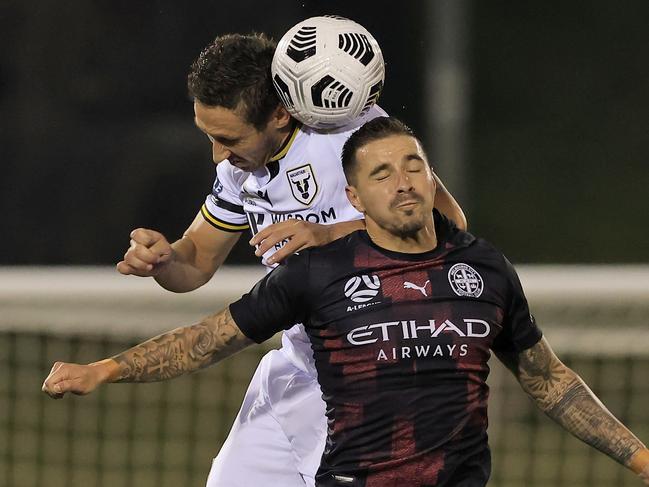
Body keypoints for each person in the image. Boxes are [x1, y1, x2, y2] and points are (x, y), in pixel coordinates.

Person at [43, 116, 649, 486]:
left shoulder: (484, 269)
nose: (404, 180)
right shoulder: (319, 274)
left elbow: (552, 383)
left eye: (415, 166)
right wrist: (105, 369)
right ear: (354, 197)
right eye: (382, 173)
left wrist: (640, 457)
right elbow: (209, 338)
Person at [113, 33, 466, 486]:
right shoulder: (238, 171)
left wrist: (328, 234)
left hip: (384, 374)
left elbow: (447, 223)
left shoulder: (354, 135)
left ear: (279, 114)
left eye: (227, 138)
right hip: (301, 370)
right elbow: (196, 260)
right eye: (209, 137)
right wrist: (163, 261)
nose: (218, 154)